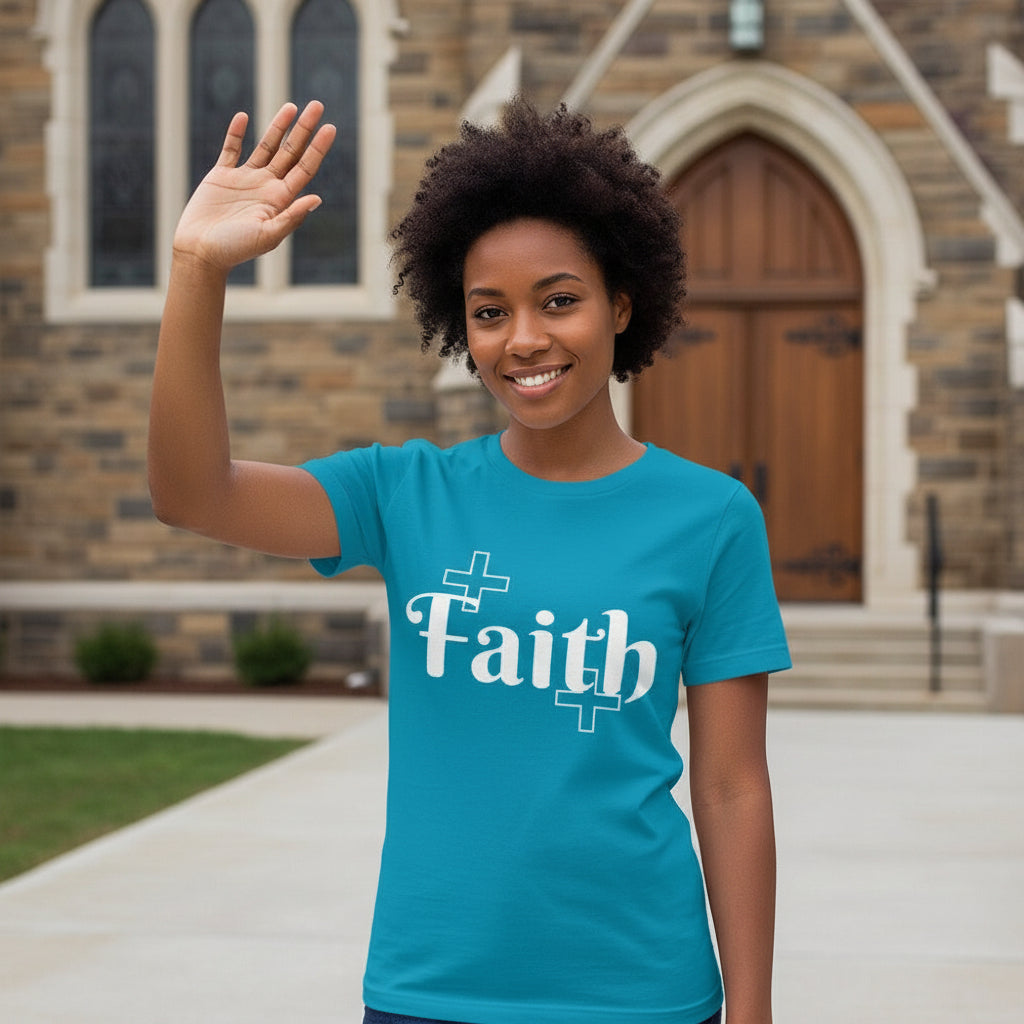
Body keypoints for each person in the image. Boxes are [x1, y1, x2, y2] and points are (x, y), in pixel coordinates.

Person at [149, 96, 791, 1024]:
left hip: (642, 991)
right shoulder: (403, 495)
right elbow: (191, 493)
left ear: (621, 303)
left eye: (559, 300)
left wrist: (754, 1010)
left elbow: (733, 788)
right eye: (490, 312)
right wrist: (195, 268)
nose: (523, 339)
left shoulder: (712, 518)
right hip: (430, 990)